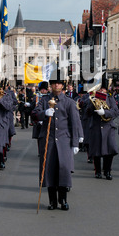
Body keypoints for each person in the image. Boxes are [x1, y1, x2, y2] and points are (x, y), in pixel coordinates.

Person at [32, 71, 83, 211]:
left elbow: (74, 123)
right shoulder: (43, 100)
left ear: (63, 86)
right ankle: (52, 202)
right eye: (54, 83)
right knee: (49, 171)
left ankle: (63, 200)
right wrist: (44, 113)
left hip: (64, 141)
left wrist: (75, 143)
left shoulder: (69, 102)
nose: (57, 85)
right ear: (51, 85)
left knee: (64, 171)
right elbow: (34, 114)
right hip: (48, 141)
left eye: (59, 83)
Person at [86, 80, 119, 180]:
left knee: (110, 150)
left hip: (108, 127)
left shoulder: (110, 98)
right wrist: (92, 105)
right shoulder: (92, 98)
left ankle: (107, 171)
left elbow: (116, 111)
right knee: (96, 151)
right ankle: (98, 171)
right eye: (100, 89)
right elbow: (87, 114)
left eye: (103, 89)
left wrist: (104, 112)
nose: (102, 90)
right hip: (96, 127)